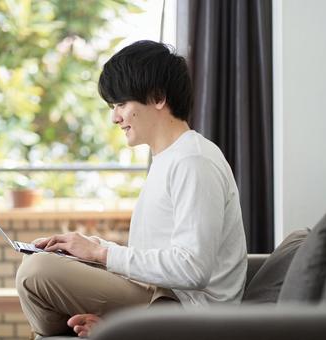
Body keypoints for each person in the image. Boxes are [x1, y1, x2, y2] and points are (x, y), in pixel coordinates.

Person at [16, 40, 247, 338]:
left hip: (185, 309)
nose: (115, 117)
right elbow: (157, 254)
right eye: (113, 106)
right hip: (157, 294)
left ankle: (121, 328)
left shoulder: (194, 161)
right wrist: (88, 248)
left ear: (158, 97)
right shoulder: (168, 157)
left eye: (121, 104)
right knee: (38, 263)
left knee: (37, 274)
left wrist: (101, 253)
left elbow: (193, 268)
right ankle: (115, 327)